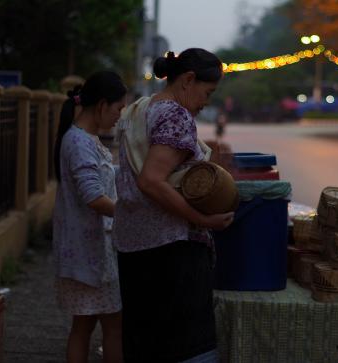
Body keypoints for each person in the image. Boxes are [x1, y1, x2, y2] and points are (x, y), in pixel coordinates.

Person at [113, 48, 234, 362]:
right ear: (188, 79)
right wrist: (204, 221)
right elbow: (151, 181)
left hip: (132, 244)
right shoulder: (175, 114)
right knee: (184, 347)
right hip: (170, 250)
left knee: (144, 343)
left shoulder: (139, 109)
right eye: (207, 92)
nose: (206, 101)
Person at [53, 71, 127, 363]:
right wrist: (131, 215)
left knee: (83, 326)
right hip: (91, 255)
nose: (119, 116)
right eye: (118, 109)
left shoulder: (83, 139)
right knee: (113, 327)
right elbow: (94, 197)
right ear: (102, 105)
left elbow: (100, 181)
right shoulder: (81, 143)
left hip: (87, 253)